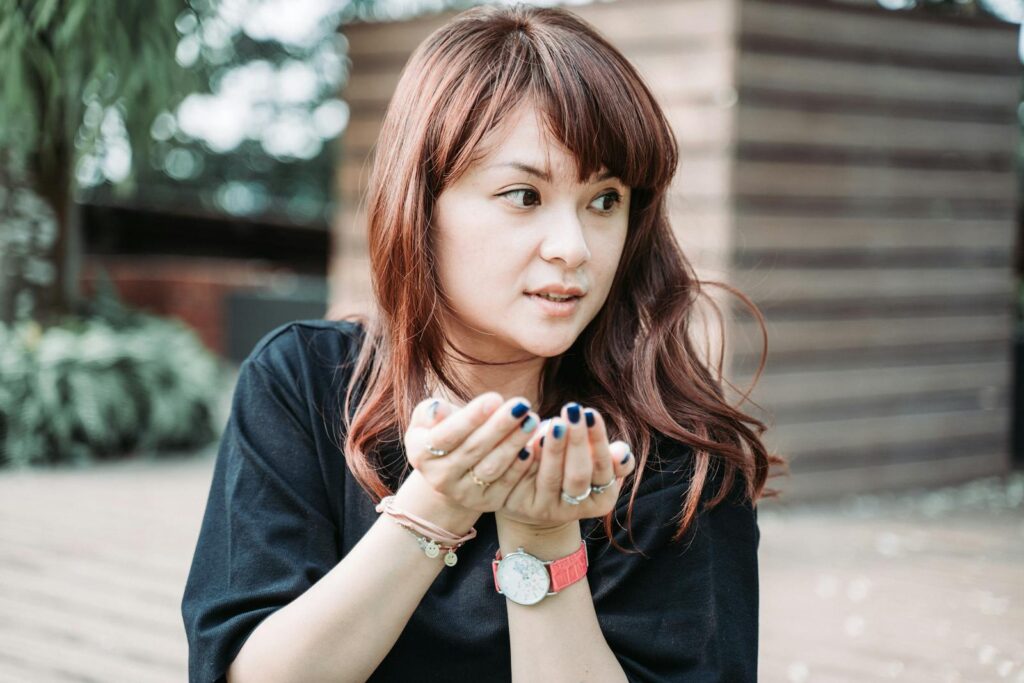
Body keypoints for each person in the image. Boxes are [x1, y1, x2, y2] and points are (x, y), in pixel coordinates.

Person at [181, 3, 785, 682]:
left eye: (605, 199)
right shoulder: (306, 381)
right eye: (524, 195)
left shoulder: (683, 453)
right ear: (422, 203)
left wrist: (544, 544)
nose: (574, 248)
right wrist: (436, 504)